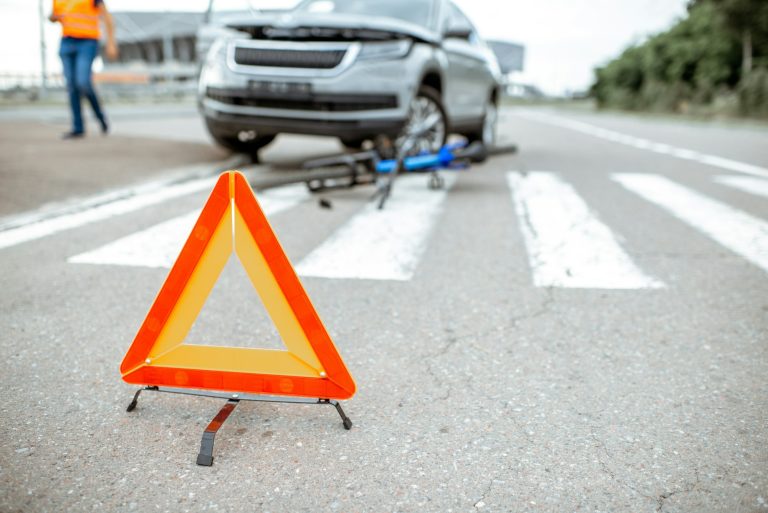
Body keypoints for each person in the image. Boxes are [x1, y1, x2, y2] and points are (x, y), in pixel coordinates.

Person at [49, 0, 118, 139]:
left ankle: (100, 116)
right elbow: (53, 16)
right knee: (72, 86)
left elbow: (107, 18)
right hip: (67, 41)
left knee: (83, 83)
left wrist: (111, 43)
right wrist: (53, 18)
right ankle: (78, 127)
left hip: (87, 41)